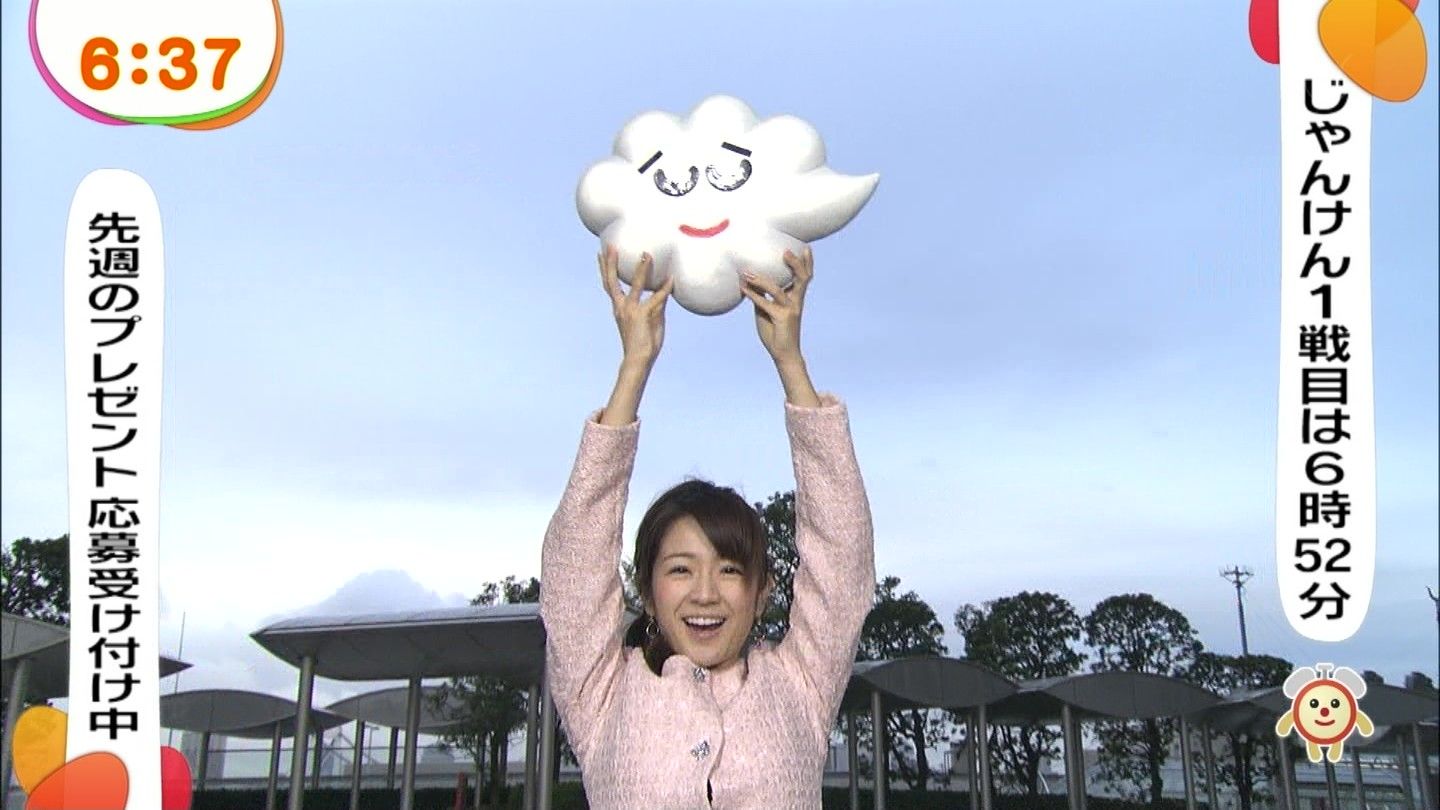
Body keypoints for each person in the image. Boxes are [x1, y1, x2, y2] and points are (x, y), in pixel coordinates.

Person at [540, 244, 875, 809]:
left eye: (729, 570)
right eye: (680, 570)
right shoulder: (603, 694)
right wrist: (633, 367)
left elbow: (842, 554)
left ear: (762, 592)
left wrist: (791, 362)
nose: (704, 593)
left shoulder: (801, 684)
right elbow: (574, 567)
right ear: (647, 592)